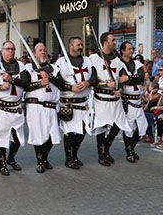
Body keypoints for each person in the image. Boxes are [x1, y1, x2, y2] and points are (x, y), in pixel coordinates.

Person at [88, 32, 130, 166]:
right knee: (101, 127)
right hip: (101, 99)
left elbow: (122, 77)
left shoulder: (117, 59)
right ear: (105, 43)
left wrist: (120, 88)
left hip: (115, 100)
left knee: (118, 125)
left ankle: (106, 148)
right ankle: (101, 155)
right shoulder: (94, 59)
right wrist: (105, 84)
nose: (115, 42)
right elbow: (92, 80)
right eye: (113, 40)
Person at [0, 41, 31, 175]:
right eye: (8, 49)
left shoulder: (21, 65)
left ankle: (11, 158)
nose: (11, 51)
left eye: (13, 49)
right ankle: (2, 164)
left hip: (16, 107)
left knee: (18, 137)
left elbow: (27, 83)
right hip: (1, 108)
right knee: (2, 137)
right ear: (2, 51)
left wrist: (12, 79)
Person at [55, 37, 93, 169]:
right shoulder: (61, 62)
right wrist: (71, 87)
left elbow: (94, 77)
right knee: (70, 132)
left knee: (82, 131)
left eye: (81, 44)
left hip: (84, 103)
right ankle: (69, 158)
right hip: (69, 103)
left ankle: (74, 155)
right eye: (78, 45)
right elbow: (57, 81)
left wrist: (87, 83)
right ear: (71, 46)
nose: (81, 47)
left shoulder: (87, 60)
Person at [25, 43, 62, 173]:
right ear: (34, 53)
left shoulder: (54, 68)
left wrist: (49, 77)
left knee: (52, 136)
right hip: (36, 106)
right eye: (40, 50)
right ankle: (40, 161)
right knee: (39, 135)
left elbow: (61, 84)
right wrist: (40, 83)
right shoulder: (28, 68)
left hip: (51, 107)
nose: (43, 52)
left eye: (45, 50)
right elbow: (25, 86)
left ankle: (45, 158)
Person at [119, 41, 147, 162]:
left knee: (142, 126)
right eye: (129, 49)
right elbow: (121, 79)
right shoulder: (119, 64)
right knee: (129, 126)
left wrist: (129, 78)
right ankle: (129, 150)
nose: (131, 51)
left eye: (132, 49)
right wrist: (131, 79)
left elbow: (141, 77)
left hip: (138, 100)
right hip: (127, 100)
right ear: (123, 50)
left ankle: (132, 147)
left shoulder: (137, 63)